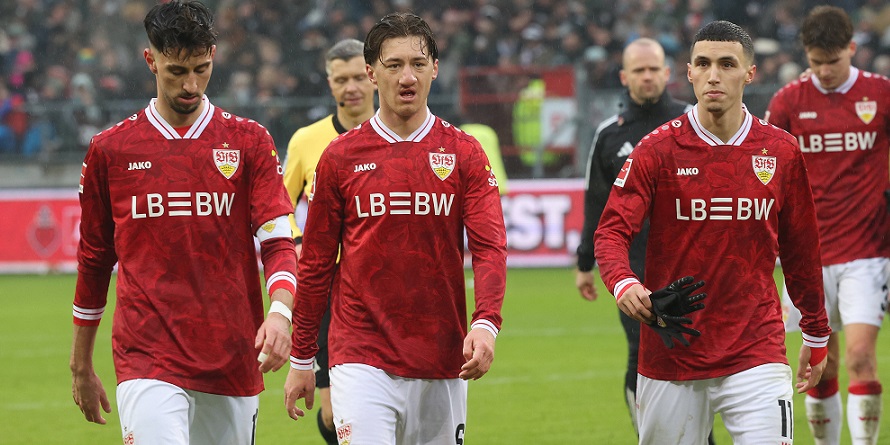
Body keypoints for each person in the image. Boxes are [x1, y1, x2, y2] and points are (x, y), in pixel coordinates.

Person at [69, 1, 297, 443]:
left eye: (201, 68)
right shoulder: (111, 150)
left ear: (213, 55)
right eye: (176, 71)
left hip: (231, 351)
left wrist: (281, 314)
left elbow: (278, 243)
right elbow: (95, 260)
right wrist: (81, 364)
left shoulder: (248, 141)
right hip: (146, 352)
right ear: (150, 60)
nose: (190, 84)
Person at [594, 20, 831, 444]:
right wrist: (623, 282)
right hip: (672, 348)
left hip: (756, 348)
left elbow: (801, 251)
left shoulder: (779, 151)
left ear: (750, 73)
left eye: (727, 64)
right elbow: (611, 230)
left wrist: (815, 330)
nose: (714, 74)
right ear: (689, 72)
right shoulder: (657, 149)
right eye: (703, 64)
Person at [283, 12, 507, 444]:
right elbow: (314, 265)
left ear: (435, 69)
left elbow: (490, 248)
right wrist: (302, 358)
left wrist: (486, 322)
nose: (408, 76)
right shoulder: (340, 157)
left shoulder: (464, 153)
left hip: (443, 354)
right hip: (359, 354)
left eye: (418, 64)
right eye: (394, 65)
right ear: (372, 73)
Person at [765, 6, 890, 445]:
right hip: (807, 258)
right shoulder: (788, 101)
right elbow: (766, 174)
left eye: (832, 62)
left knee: (859, 357)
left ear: (852, 50)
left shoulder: (882, 94)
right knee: (819, 366)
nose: (824, 72)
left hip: (868, 251)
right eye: (815, 62)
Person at [575, 37, 694, 438]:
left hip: (692, 264)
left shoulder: (696, 123)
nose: (646, 77)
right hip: (634, 269)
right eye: (638, 70)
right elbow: (596, 203)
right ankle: (649, 432)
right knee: (639, 354)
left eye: (653, 69)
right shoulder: (610, 135)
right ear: (625, 77)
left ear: (667, 73)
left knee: (699, 354)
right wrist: (585, 263)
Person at [282, 37, 376, 445]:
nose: (350, 86)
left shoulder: (396, 135)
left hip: (379, 280)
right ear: (329, 82)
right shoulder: (306, 141)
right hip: (324, 283)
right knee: (333, 410)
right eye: (341, 79)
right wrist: (300, 239)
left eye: (358, 76)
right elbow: (276, 207)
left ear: (373, 77)